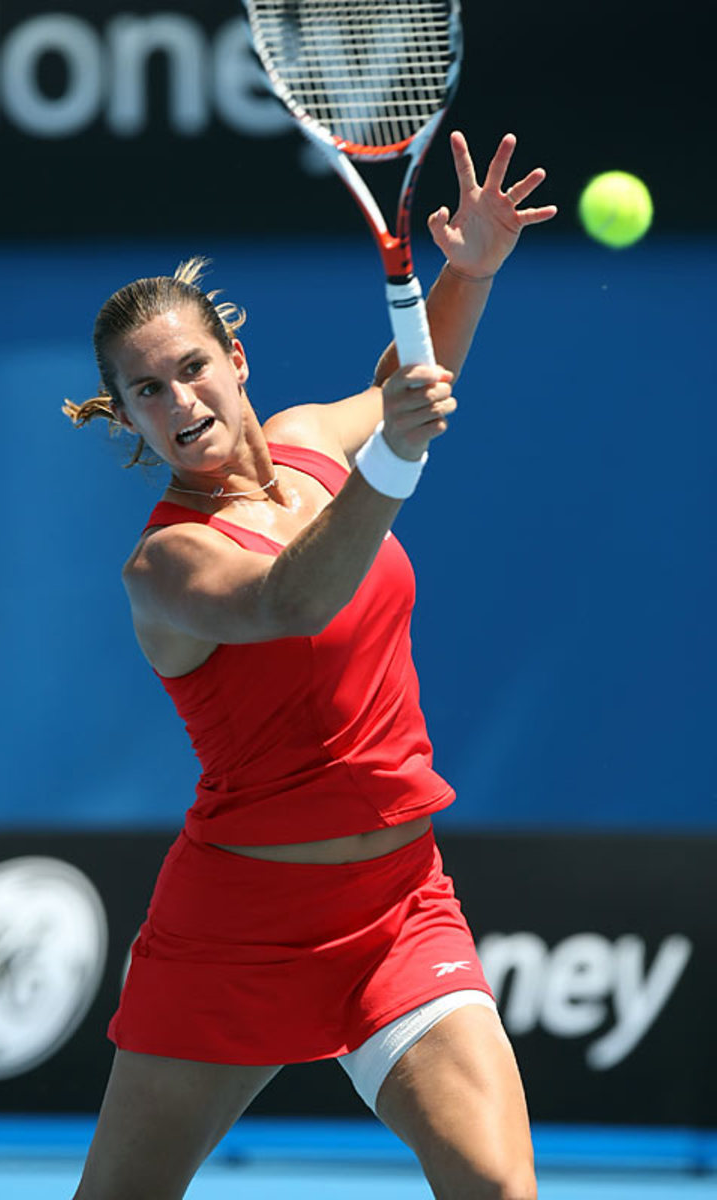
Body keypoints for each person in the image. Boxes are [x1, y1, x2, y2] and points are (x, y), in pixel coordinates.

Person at [65, 131, 556, 1200]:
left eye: (191, 366)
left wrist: (466, 271)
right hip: (235, 927)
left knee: (498, 1190)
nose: (178, 398)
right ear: (129, 418)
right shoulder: (165, 564)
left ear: (233, 363)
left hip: (398, 902)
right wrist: (391, 458)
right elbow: (291, 600)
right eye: (145, 389)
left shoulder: (305, 441)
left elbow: (406, 390)